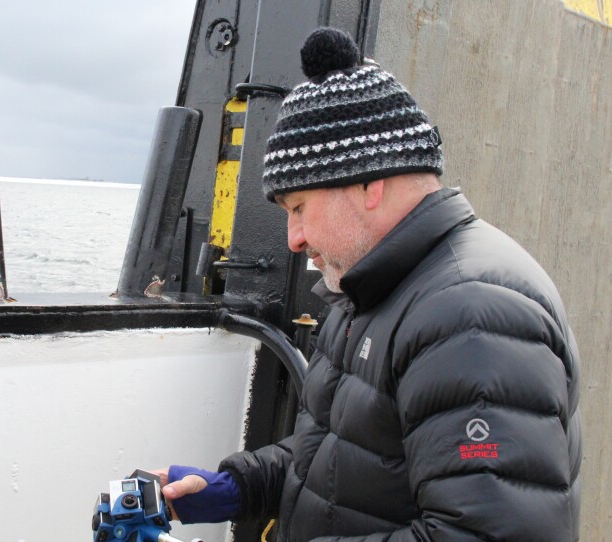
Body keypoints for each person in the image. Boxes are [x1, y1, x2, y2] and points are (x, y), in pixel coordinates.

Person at [156, 27, 582, 541]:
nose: (294, 238)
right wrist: (234, 488)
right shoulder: (373, 294)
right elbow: (340, 456)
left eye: (299, 208)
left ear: (369, 183)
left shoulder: (468, 315)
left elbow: (490, 534)